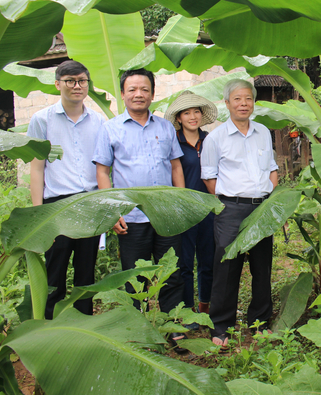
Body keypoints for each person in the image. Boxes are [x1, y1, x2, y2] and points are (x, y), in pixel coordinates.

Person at [93, 68, 186, 344]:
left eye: (144, 89)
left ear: (152, 94)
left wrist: (180, 204)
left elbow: (175, 165)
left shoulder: (165, 127)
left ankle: (173, 328)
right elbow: (102, 171)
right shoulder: (110, 129)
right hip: (131, 218)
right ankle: (139, 331)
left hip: (167, 216)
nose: (138, 94)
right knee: (135, 277)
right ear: (122, 94)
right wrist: (112, 211)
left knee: (172, 272)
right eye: (132, 89)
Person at [200, 79, 278, 347]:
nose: (243, 103)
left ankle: (259, 322)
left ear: (253, 103)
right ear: (227, 103)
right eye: (237, 99)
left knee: (261, 267)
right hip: (230, 208)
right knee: (227, 269)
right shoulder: (215, 138)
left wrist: (269, 198)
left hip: (261, 207)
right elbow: (209, 178)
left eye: (248, 98)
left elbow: (272, 168)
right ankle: (221, 326)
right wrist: (225, 204)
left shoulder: (263, 132)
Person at [27, 60, 104, 319]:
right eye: (70, 81)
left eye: (82, 81)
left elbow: (104, 166)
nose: (77, 86)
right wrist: (39, 217)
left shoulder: (98, 120)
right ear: (58, 84)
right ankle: (49, 324)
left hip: (90, 203)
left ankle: (84, 324)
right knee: (54, 270)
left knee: (86, 272)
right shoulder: (41, 120)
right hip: (57, 206)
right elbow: (37, 168)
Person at [164, 91, 218, 322]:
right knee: (184, 263)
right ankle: (186, 311)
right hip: (183, 211)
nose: (193, 116)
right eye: (187, 113)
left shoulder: (211, 140)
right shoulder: (173, 143)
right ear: (179, 118)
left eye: (196, 111)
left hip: (209, 209)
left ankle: (205, 306)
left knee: (208, 260)